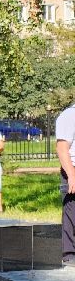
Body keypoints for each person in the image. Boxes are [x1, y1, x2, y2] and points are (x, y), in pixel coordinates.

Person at [56, 102, 75, 265]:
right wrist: (71, 175)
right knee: (72, 212)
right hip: (73, 168)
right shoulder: (69, 115)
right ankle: (69, 254)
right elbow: (62, 149)